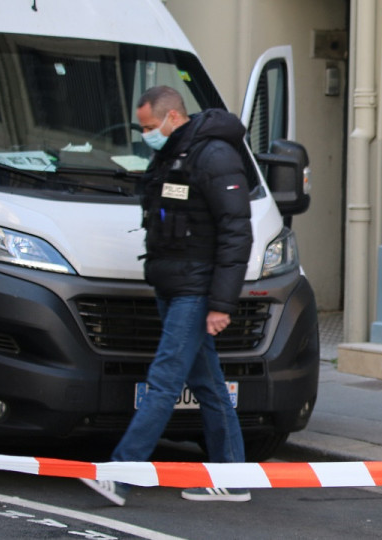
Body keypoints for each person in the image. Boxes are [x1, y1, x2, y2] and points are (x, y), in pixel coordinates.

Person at [81, 86, 253, 506]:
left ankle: (120, 473)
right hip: (175, 285)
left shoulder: (213, 155)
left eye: (147, 126)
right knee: (207, 382)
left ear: (172, 116)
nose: (145, 134)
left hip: (194, 290)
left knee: (164, 380)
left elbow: (237, 234)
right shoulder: (176, 152)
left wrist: (220, 304)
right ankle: (232, 476)